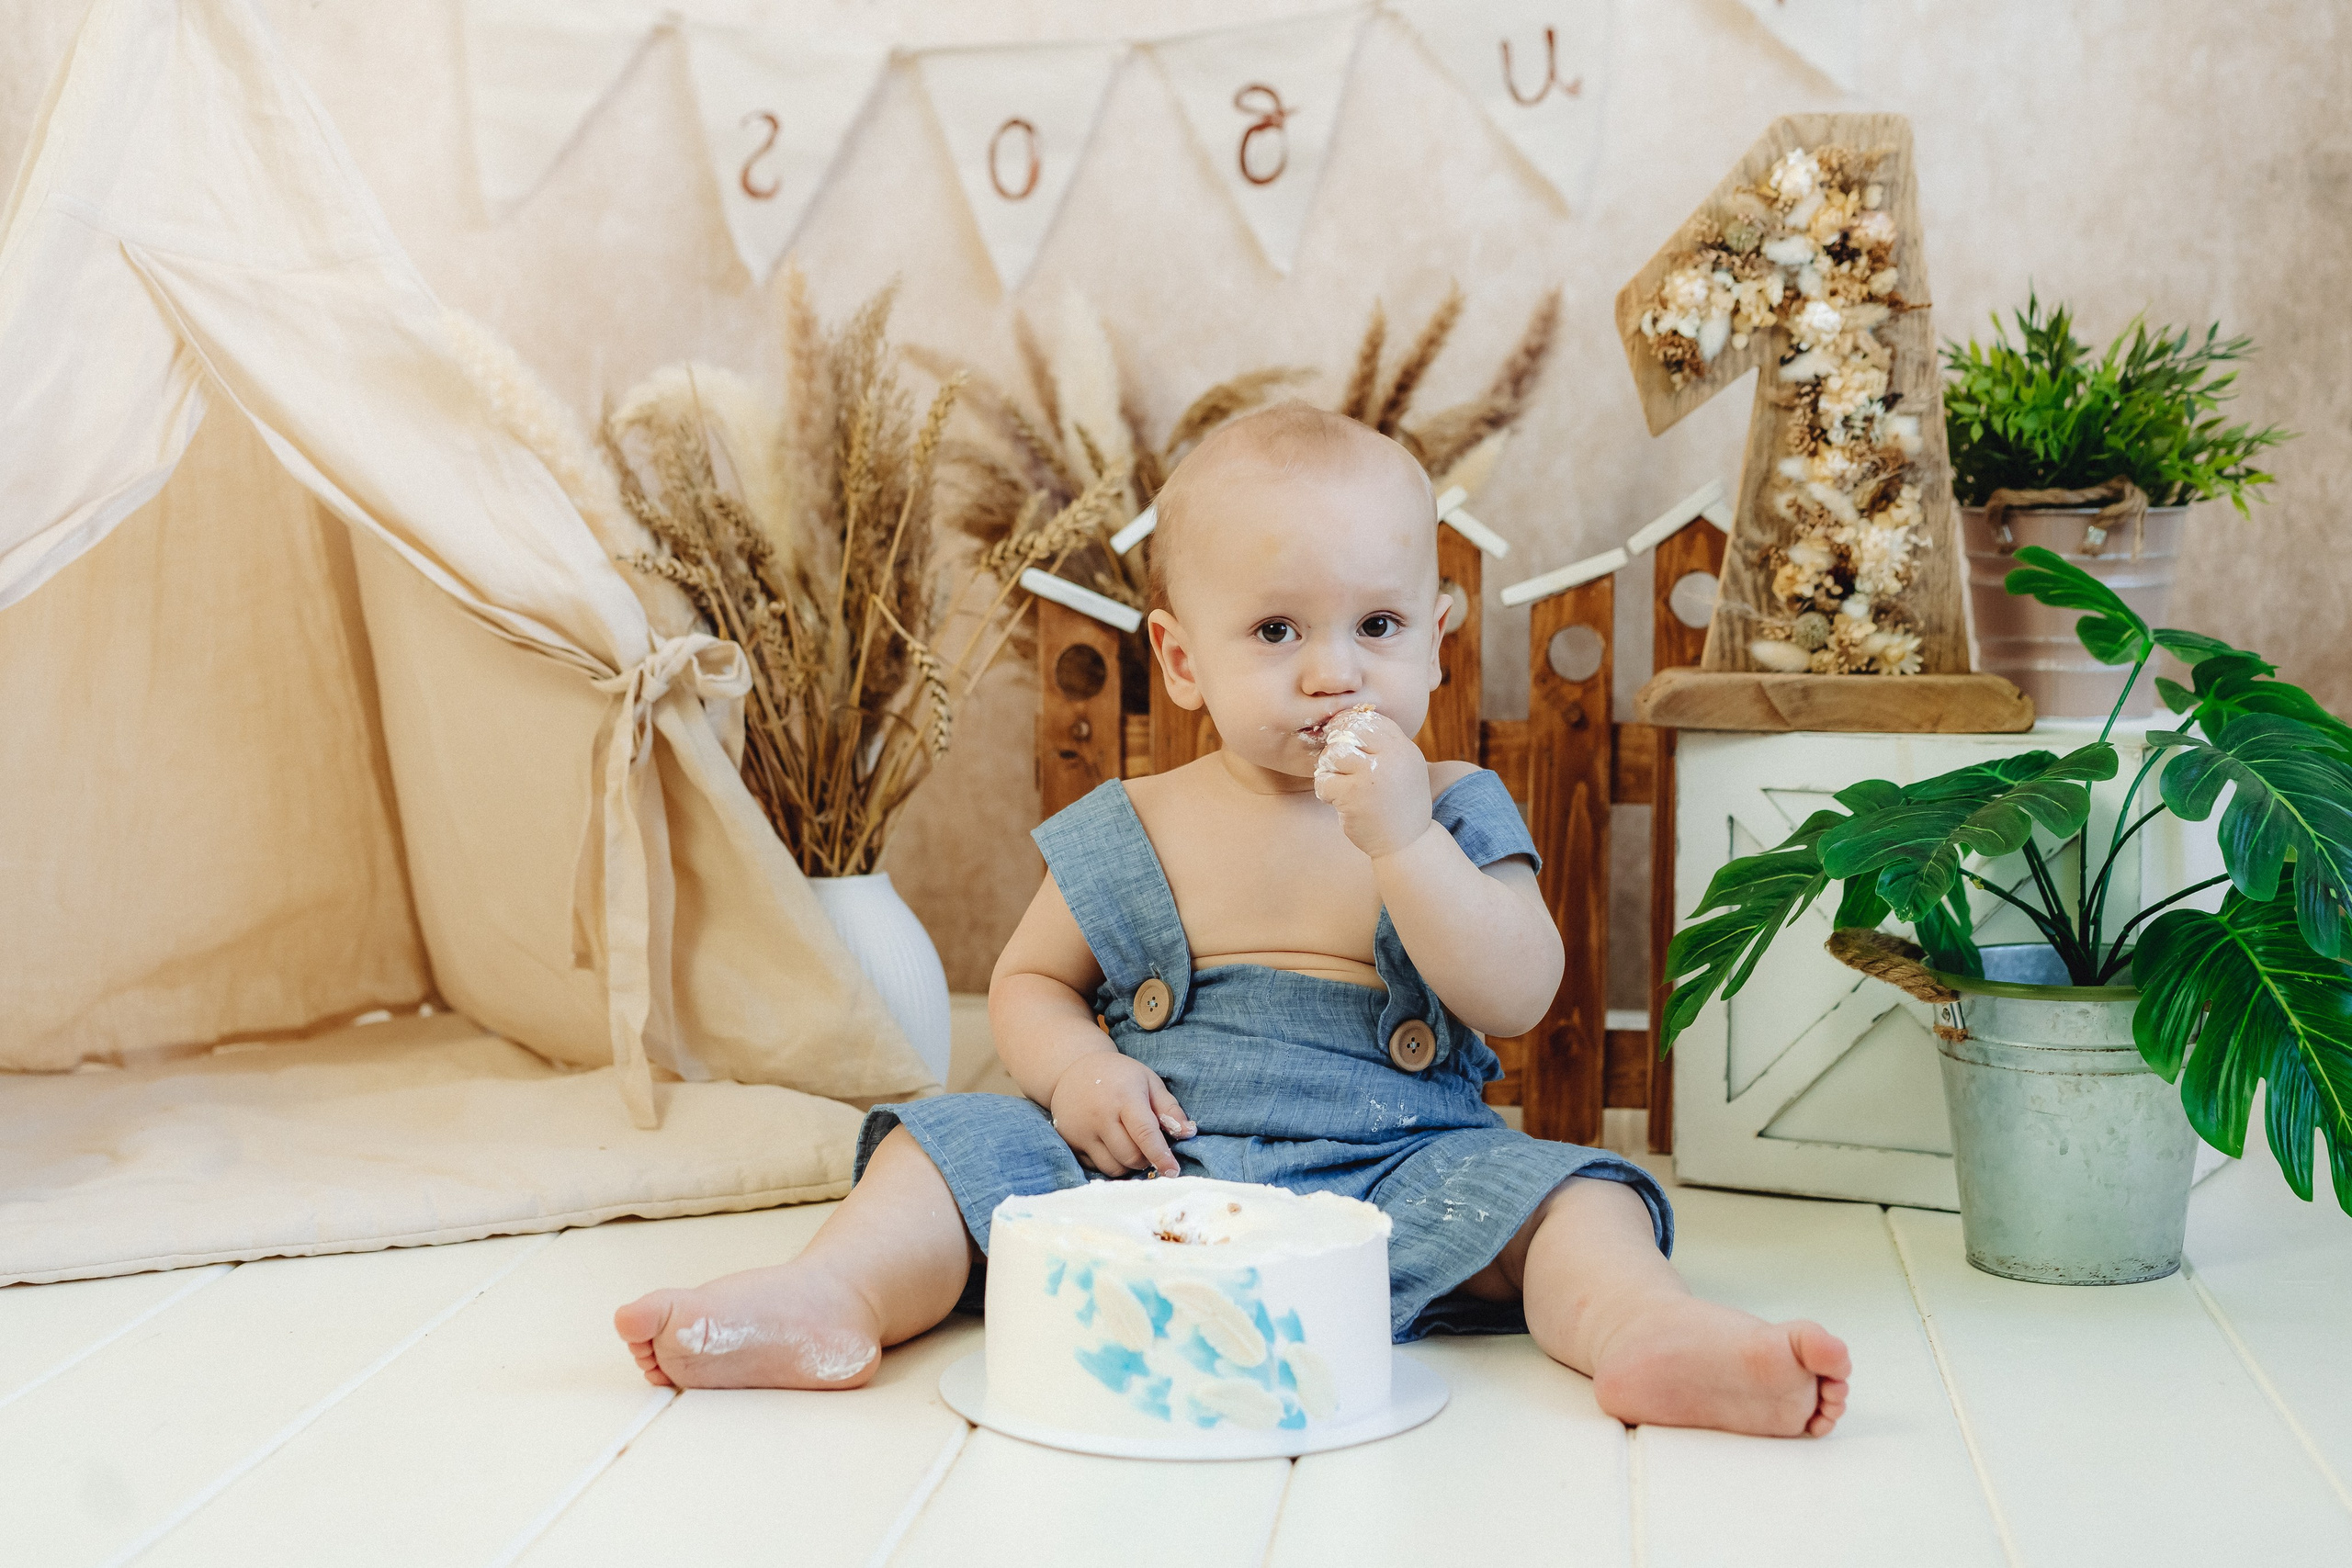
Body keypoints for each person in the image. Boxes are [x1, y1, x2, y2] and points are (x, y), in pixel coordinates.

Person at [615, 401, 1849, 1438]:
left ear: (1437, 639)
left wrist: (1407, 846)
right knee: (944, 1147)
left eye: (1377, 627)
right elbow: (1031, 985)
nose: (1333, 673)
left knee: (1585, 1200)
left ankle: (1646, 1333)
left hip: (1401, 1176)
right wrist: (1081, 1068)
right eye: (1277, 632)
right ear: (1183, 660)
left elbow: (1522, 993)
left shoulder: (1456, 808)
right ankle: (828, 1295)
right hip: (1138, 1169)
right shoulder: (1136, 818)